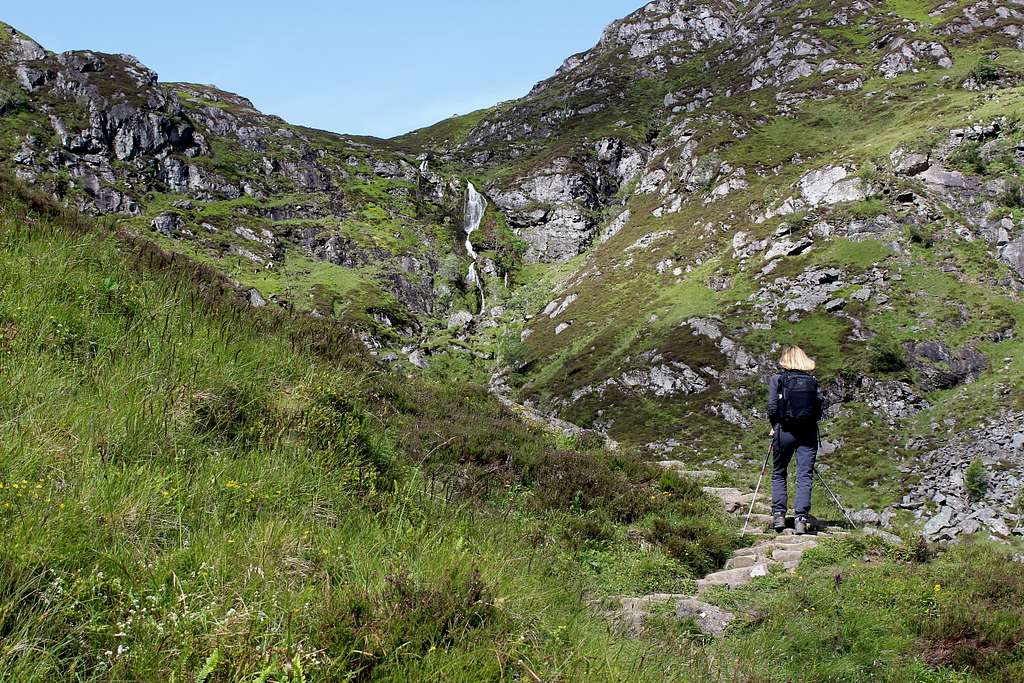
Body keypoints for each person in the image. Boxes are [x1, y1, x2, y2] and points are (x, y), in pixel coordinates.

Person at [767, 346, 824, 535]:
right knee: (804, 475)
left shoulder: (778, 379)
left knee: (779, 473)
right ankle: (801, 519)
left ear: (785, 360)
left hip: (784, 431)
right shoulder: (813, 381)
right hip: (807, 433)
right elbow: (819, 410)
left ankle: (779, 516)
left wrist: (774, 427)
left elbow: (773, 408)